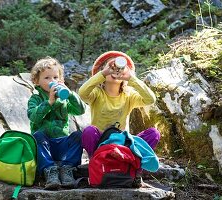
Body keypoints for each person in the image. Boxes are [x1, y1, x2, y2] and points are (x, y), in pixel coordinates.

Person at [78, 51, 160, 158]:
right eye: (111, 67)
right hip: (100, 142)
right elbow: (82, 93)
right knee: (89, 131)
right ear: (102, 73)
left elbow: (150, 99)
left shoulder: (128, 95)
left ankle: (130, 160)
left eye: (120, 68)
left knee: (154, 134)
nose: (115, 70)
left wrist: (132, 79)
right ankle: (96, 159)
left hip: (122, 143)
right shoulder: (97, 93)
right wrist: (103, 73)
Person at [27, 56, 86, 190]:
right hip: (45, 145)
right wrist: (49, 103)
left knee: (78, 135)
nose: (52, 81)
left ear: (61, 80)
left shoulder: (64, 99)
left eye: (55, 77)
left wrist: (70, 94)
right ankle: (50, 171)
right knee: (37, 136)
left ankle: (67, 169)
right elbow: (33, 117)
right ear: (37, 81)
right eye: (47, 78)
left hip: (62, 145)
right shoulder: (35, 98)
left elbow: (81, 110)